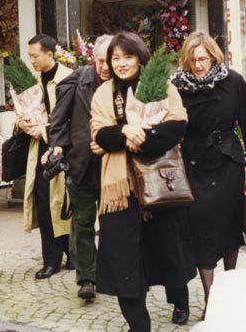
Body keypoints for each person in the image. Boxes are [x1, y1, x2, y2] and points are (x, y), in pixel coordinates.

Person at [90, 31, 196, 330]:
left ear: (140, 57)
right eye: (115, 58)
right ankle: (139, 324)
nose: (121, 63)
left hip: (159, 182)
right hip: (120, 190)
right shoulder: (104, 94)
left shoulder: (162, 86)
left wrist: (143, 138)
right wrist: (124, 131)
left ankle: (180, 299)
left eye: (128, 56)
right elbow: (98, 134)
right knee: (123, 260)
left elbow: (177, 126)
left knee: (168, 252)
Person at [170, 31, 246, 318]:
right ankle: (211, 299)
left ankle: (229, 290)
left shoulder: (232, 81)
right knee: (200, 227)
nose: (198, 65)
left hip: (227, 163)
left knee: (229, 227)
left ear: (213, 57)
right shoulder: (177, 86)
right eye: (193, 60)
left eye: (203, 59)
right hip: (195, 164)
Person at [43, 34, 113, 300]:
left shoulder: (123, 83)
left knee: (112, 224)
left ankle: (111, 273)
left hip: (112, 166)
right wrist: (58, 146)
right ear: (93, 57)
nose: (105, 67)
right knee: (83, 222)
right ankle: (86, 278)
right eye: (100, 61)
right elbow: (59, 119)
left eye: (109, 61)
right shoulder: (77, 80)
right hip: (81, 163)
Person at [19, 33, 73, 279]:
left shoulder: (69, 78)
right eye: (29, 56)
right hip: (40, 150)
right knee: (44, 204)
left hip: (67, 150)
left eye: (35, 56)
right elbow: (23, 110)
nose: (32, 61)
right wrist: (22, 123)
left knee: (66, 203)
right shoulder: (32, 80)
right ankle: (51, 260)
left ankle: (73, 254)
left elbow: (74, 119)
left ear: (50, 54)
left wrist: (43, 130)